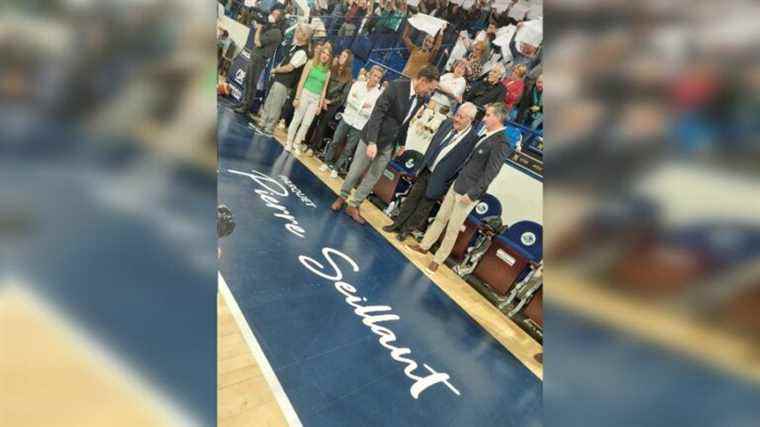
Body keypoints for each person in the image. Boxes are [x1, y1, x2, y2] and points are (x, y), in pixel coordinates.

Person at [408, 102, 512, 273]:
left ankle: (437, 260)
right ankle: (424, 246)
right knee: (440, 218)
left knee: (452, 227)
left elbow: (490, 173)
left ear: (498, 118)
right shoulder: (485, 134)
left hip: (469, 192)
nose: (484, 118)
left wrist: (473, 194)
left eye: (488, 115)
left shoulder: (502, 142)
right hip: (458, 184)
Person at [331, 65, 440, 224]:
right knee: (355, 171)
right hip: (371, 138)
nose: (429, 93)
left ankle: (354, 205)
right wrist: (372, 142)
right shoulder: (396, 87)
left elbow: (405, 122)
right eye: (430, 89)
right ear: (422, 81)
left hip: (389, 144)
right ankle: (342, 197)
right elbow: (377, 114)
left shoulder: (420, 98)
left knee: (372, 178)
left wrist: (401, 144)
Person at [383, 102, 479, 241]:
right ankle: (397, 224)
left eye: (461, 117)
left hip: (442, 179)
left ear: (470, 120)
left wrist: (449, 185)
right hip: (427, 169)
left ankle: (406, 230)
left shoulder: (472, 139)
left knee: (424, 207)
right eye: (457, 114)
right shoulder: (447, 123)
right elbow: (432, 145)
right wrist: (422, 166)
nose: (456, 119)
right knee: (411, 198)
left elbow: (462, 165)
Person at [319, 65, 385, 178]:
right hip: (347, 118)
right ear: (369, 74)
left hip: (360, 125)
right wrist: (362, 106)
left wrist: (358, 103)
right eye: (374, 75)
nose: (376, 79)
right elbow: (349, 100)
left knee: (348, 149)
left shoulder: (378, 95)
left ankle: (336, 168)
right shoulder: (358, 85)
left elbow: (371, 113)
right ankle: (326, 162)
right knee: (335, 141)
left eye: (378, 77)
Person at [255, 23, 313, 136]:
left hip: (285, 82)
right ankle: (262, 123)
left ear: (305, 36)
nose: (296, 31)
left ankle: (269, 129)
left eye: (299, 30)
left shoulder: (302, 52)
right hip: (279, 79)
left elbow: (289, 67)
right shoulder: (295, 47)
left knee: (276, 106)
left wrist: (276, 70)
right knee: (269, 102)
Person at [233, 4, 285, 115]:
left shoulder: (276, 32)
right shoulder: (270, 27)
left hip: (260, 59)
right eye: (273, 13)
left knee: (252, 82)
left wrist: (260, 27)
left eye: (275, 15)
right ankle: (243, 102)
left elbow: (258, 42)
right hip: (255, 56)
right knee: (247, 79)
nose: (272, 15)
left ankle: (246, 106)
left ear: (279, 18)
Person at [303, 49, 354, 156]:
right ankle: (305, 142)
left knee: (322, 125)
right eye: (341, 55)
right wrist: (323, 99)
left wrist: (329, 101)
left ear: (348, 60)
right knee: (313, 120)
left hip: (333, 104)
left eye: (344, 56)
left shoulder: (349, 77)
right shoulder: (332, 68)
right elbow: (324, 84)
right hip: (321, 98)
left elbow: (343, 95)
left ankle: (313, 147)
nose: (341, 57)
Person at [287, 42, 333, 154]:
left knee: (307, 123)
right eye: (323, 52)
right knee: (297, 119)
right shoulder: (310, 63)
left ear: (329, 57)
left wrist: (319, 105)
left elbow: (324, 90)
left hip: (316, 99)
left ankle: (296, 144)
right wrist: (297, 98)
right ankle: (289, 142)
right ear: (320, 53)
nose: (324, 55)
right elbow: (302, 81)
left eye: (327, 54)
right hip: (305, 94)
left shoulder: (328, 72)